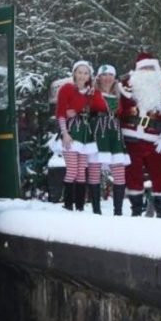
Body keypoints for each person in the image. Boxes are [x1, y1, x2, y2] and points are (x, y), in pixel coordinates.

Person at [118, 53, 161, 218]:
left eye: (151, 68)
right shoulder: (126, 87)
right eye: (144, 68)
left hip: (154, 140)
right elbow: (118, 111)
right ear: (137, 70)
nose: (148, 72)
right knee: (133, 174)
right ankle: (136, 209)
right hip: (131, 138)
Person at [88, 64, 130, 215]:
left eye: (110, 75)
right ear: (98, 77)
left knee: (119, 172)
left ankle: (118, 211)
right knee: (94, 170)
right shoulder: (92, 92)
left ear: (114, 77)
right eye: (104, 75)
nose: (107, 78)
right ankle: (96, 210)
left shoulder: (119, 94)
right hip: (97, 131)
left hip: (114, 133)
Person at [56, 61, 97, 211]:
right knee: (72, 170)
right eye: (79, 72)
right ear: (74, 73)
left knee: (81, 172)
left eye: (86, 73)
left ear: (89, 76)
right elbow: (60, 113)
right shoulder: (66, 88)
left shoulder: (91, 92)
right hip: (71, 132)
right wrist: (64, 133)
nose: (82, 76)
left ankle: (80, 207)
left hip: (85, 135)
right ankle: (68, 205)